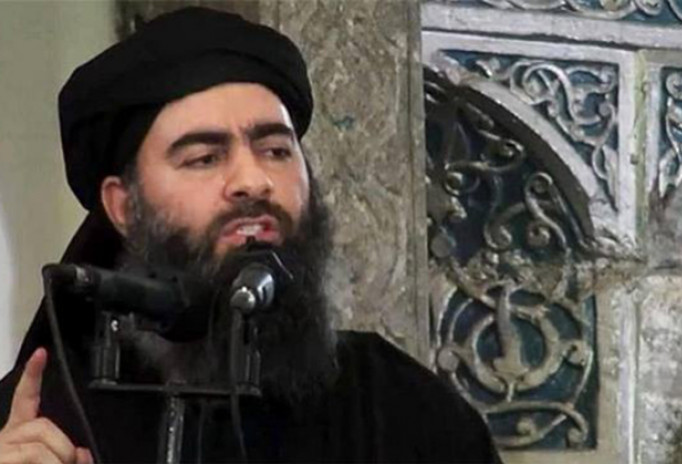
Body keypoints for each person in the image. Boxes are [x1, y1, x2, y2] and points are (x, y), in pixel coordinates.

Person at [0, 7, 500, 463]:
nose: (253, 180)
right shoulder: (46, 419)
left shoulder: (400, 409)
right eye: (204, 158)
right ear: (123, 206)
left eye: (276, 151)